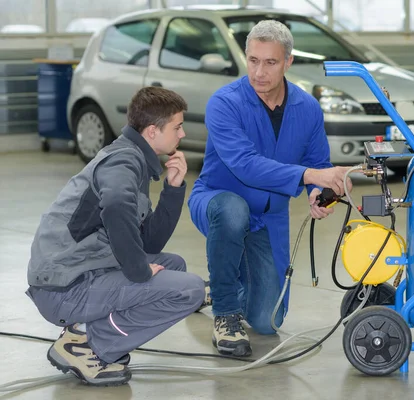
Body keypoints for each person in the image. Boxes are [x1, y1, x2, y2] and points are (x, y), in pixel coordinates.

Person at [188, 20, 353, 358]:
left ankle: (221, 286)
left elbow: (318, 163)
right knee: (234, 212)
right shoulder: (225, 103)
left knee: (268, 320)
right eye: (253, 60)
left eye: (270, 62)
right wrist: (308, 176)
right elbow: (246, 165)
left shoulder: (306, 108)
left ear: (288, 62)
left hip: (269, 217)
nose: (259, 72)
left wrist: (317, 193)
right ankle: (224, 310)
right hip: (218, 202)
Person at [26, 87, 207, 387]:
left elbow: (149, 244)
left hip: (78, 273)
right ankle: (88, 346)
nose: (183, 134)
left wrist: (173, 189)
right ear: (152, 131)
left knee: (173, 266)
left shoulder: (132, 157)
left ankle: (83, 330)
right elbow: (115, 206)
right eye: (177, 127)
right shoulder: (123, 161)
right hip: (64, 288)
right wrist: (138, 270)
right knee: (190, 291)